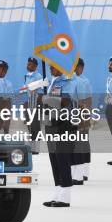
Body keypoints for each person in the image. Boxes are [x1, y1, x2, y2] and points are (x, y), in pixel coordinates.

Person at [41, 65, 75, 207]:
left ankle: (65, 196)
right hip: (51, 123)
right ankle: (57, 191)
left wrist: (46, 99)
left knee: (62, 157)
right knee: (54, 158)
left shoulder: (68, 81)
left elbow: (65, 101)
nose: (51, 68)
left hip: (64, 123)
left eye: (54, 66)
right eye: (50, 66)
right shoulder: (51, 82)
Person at [72, 58, 93, 183]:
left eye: (76, 67)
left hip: (80, 115)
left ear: (81, 67)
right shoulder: (73, 80)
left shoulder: (83, 81)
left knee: (82, 143)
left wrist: (85, 117)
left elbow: (86, 101)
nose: (74, 69)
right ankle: (80, 172)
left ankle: (83, 172)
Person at [23, 57, 43, 154]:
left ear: (35, 66)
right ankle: (31, 147)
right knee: (29, 125)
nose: (28, 65)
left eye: (30, 64)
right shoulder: (26, 76)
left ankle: (36, 148)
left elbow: (39, 92)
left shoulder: (38, 76)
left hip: (35, 103)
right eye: (28, 63)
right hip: (28, 103)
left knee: (35, 126)